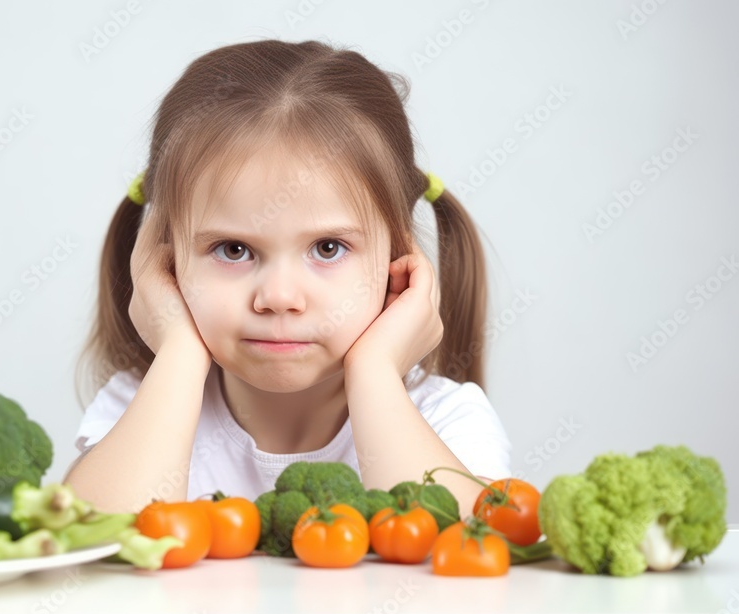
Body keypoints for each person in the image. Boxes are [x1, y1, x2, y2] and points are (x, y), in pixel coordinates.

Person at [64, 39, 511, 516]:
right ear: (165, 263)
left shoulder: (445, 419)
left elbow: (467, 556)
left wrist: (375, 371)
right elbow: (91, 543)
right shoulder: (147, 403)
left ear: (397, 257)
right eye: (233, 250)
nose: (278, 297)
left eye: (327, 248)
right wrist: (177, 352)